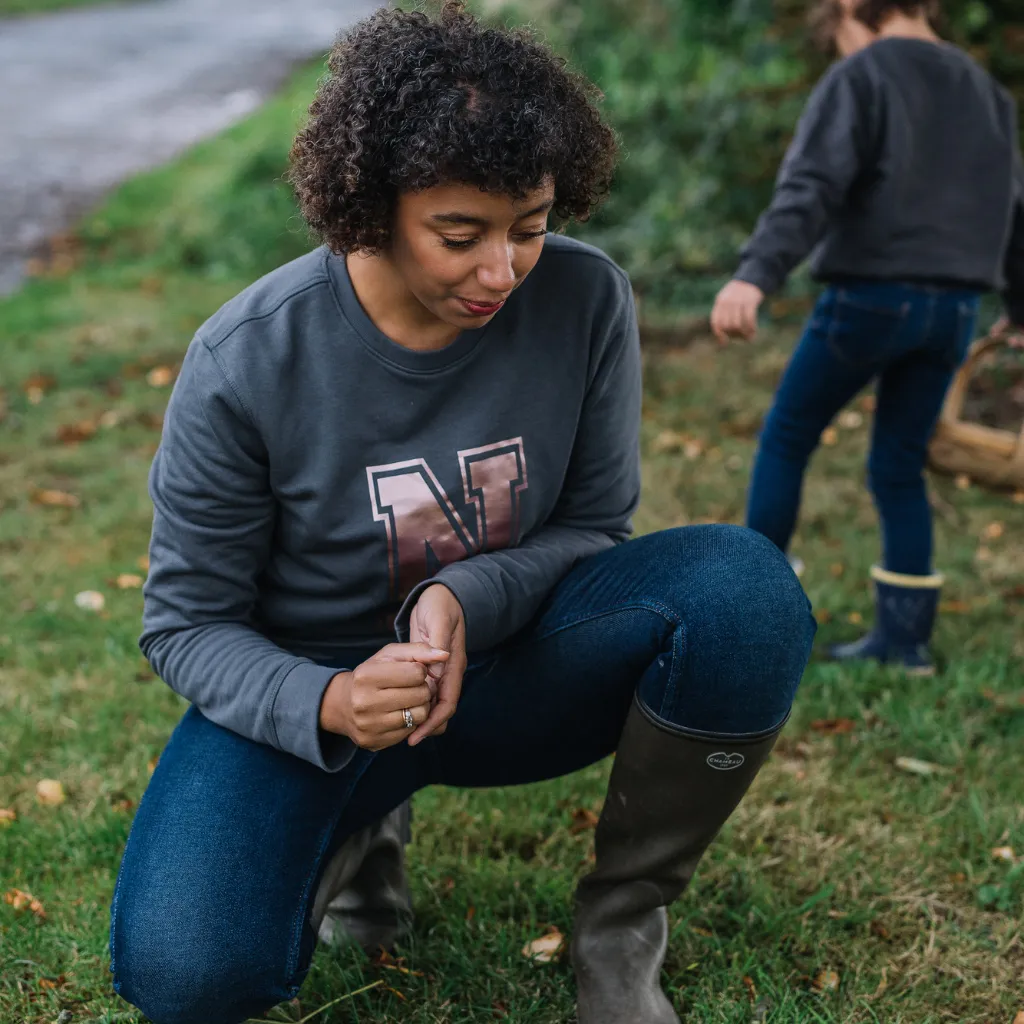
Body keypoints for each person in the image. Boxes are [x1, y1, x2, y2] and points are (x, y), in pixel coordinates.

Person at [108, 5, 815, 1023]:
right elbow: (185, 625)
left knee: (743, 591)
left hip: (514, 663)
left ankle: (620, 930)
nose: (501, 271)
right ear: (372, 207)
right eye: (459, 235)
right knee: (188, 974)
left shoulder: (584, 300)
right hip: (328, 695)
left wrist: (459, 597)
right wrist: (333, 703)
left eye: (529, 227)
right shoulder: (247, 361)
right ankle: (360, 823)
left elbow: (591, 528)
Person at [710, 0, 1024, 675]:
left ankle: (750, 617)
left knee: (789, 436)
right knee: (898, 466)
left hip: (870, 301)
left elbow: (810, 184)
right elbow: (1014, 208)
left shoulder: (864, 74)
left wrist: (754, 275)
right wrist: (1020, 308)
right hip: (954, 312)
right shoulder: (986, 92)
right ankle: (904, 644)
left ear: (854, 9)